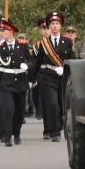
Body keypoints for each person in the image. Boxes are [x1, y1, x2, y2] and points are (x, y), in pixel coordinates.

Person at [0, 18, 32, 147]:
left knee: (19, 111)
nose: (1, 33)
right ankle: (7, 136)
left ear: (11, 31)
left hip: (20, 81)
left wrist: (27, 65)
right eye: (0, 31)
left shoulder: (22, 45)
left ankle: (16, 134)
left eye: (4, 30)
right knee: (8, 110)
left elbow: (31, 60)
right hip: (5, 83)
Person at [30, 11, 73, 142]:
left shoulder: (67, 41)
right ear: (49, 27)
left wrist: (69, 72)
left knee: (62, 104)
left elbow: (72, 59)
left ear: (61, 26)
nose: (54, 26)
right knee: (53, 104)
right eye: (52, 24)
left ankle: (62, 127)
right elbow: (37, 62)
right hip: (48, 77)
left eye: (57, 23)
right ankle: (55, 132)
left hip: (63, 77)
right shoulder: (44, 43)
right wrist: (31, 79)